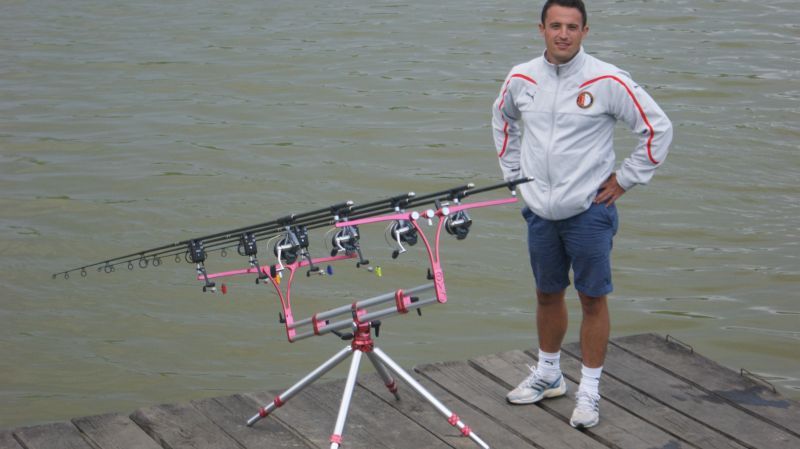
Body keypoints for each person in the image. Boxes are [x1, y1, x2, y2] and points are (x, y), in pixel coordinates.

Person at [491, 0, 673, 428]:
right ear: (541, 28)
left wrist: (625, 179)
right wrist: (515, 176)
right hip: (539, 210)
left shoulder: (608, 80)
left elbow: (658, 129)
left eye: (572, 27)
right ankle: (549, 375)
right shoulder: (521, 78)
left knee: (592, 298)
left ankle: (589, 391)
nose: (563, 34)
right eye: (555, 25)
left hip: (589, 210)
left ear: (585, 32)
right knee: (546, 293)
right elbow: (502, 121)